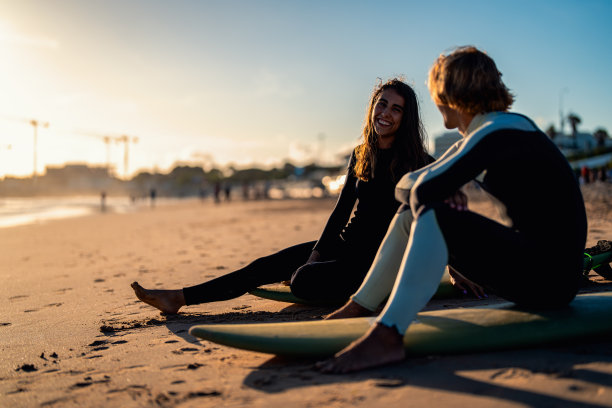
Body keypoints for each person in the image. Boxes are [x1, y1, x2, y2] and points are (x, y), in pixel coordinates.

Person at [316, 46, 587, 373]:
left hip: (549, 280)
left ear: (448, 94)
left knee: (432, 212)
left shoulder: (492, 134)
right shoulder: (501, 128)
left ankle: (388, 335)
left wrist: (433, 188)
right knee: (414, 213)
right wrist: (433, 186)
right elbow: (411, 184)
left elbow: (420, 191)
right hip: (547, 272)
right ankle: (360, 306)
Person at [131, 78, 433, 314]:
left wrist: (456, 270)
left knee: (302, 282)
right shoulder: (362, 154)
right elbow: (341, 212)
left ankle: (364, 288)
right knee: (264, 266)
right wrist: (315, 255)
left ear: (405, 118)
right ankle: (179, 298)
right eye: (382, 104)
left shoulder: (418, 160)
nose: (386, 114)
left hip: (381, 260)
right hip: (346, 245)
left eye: (396, 109)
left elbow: (438, 215)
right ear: (372, 108)